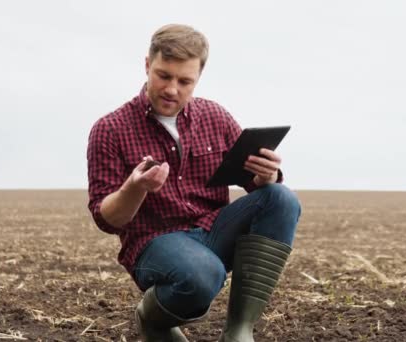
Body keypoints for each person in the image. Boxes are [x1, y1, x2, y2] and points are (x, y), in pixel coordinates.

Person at [87, 24, 301, 342]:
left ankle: (239, 331)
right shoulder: (110, 129)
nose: (172, 89)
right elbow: (107, 219)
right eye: (163, 75)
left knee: (280, 198)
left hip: (213, 230)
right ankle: (152, 318)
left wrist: (265, 176)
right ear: (147, 65)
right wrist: (135, 188)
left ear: (198, 78)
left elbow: (259, 189)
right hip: (156, 242)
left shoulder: (215, 117)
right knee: (202, 275)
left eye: (184, 81)